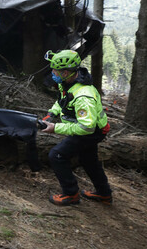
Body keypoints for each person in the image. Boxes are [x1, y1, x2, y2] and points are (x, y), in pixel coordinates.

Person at [39, 50, 112, 206]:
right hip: (89, 127)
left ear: (65, 72)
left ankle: (71, 194)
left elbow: (86, 128)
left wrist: (55, 128)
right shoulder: (68, 82)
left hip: (91, 131)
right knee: (88, 160)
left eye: (55, 70)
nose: (52, 73)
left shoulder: (84, 96)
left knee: (57, 155)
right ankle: (104, 193)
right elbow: (62, 101)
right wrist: (52, 113)